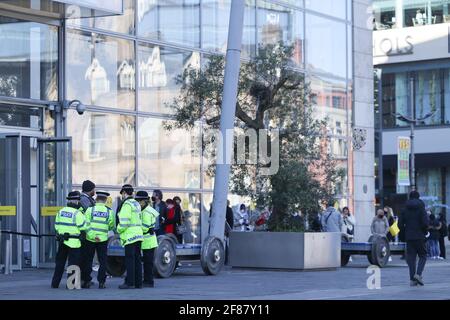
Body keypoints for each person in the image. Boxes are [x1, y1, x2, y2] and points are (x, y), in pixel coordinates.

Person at [51, 191, 86, 288]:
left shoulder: (61, 211)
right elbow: (83, 227)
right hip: (74, 243)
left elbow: (57, 226)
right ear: (75, 201)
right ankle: (70, 285)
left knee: (60, 263)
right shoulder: (77, 213)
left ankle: (55, 283)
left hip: (63, 241)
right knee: (73, 264)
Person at [82, 191, 115, 289]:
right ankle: (101, 282)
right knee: (103, 261)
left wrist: (93, 235)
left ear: (96, 199)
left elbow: (85, 225)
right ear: (105, 200)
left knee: (88, 260)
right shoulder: (109, 211)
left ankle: (87, 281)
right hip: (103, 239)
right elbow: (111, 226)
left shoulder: (90, 210)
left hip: (90, 239)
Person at [398, 190, 429, 286]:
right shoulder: (421, 208)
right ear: (418, 197)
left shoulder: (404, 208)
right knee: (423, 255)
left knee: (411, 258)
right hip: (419, 236)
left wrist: (404, 235)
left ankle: (412, 279)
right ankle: (418, 274)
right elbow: (425, 223)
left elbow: (400, 224)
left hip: (409, 237)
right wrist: (425, 232)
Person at [117, 185, 144, 289]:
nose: (122, 196)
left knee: (129, 259)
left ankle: (129, 282)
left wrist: (118, 229)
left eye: (122, 194)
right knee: (137, 259)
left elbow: (124, 221)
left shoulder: (127, 204)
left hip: (130, 236)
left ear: (124, 193)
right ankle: (138, 283)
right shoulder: (136, 203)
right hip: (138, 234)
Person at [135, 191, 159, 288]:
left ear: (144, 201)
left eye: (139, 201)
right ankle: (147, 280)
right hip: (147, 240)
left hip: (148, 241)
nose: (138, 203)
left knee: (148, 263)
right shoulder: (144, 210)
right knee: (146, 262)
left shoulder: (147, 212)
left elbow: (145, 227)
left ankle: (149, 281)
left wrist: (135, 227)